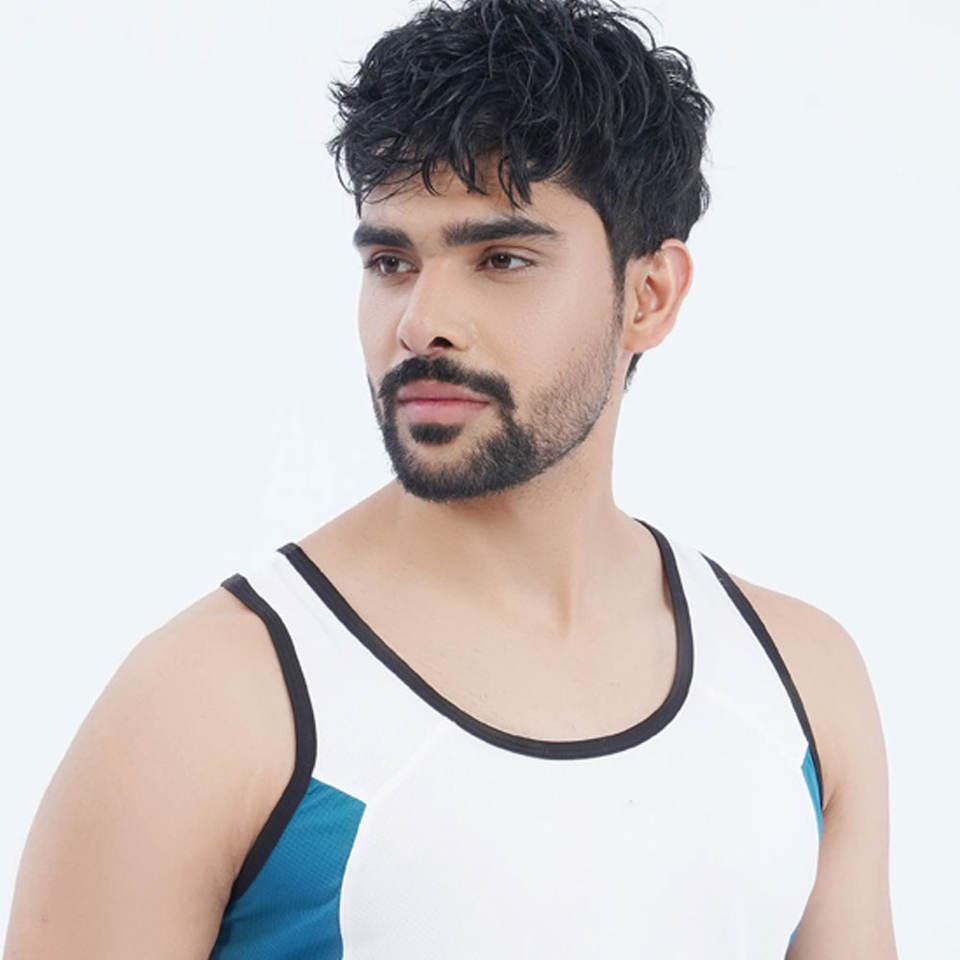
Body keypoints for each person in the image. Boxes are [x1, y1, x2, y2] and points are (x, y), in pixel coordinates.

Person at [3, 1, 896, 957]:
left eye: (501, 259)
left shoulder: (798, 687)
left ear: (649, 295)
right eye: (393, 261)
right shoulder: (211, 699)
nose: (421, 321)